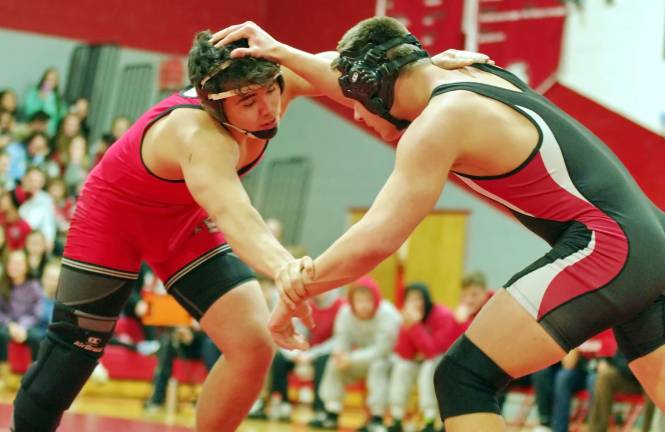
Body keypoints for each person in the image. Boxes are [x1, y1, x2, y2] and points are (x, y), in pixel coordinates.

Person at [10, 27, 488, 432]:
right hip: (113, 217)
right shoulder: (196, 134)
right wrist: (285, 268)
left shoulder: (274, 85)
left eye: (272, 91)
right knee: (75, 348)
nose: (268, 109)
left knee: (254, 345)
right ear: (212, 102)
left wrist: (425, 70)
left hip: (179, 222)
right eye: (248, 101)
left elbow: (345, 70)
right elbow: (236, 213)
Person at [212, 17, 665, 432]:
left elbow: (378, 239)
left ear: (374, 88)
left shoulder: (438, 124)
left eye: (355, 101)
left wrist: (297, 287)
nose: (353, 113)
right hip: (649, 239)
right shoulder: (463, 74)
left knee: (463, 378)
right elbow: (343, 73)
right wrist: (281, 51)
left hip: (609, 248)